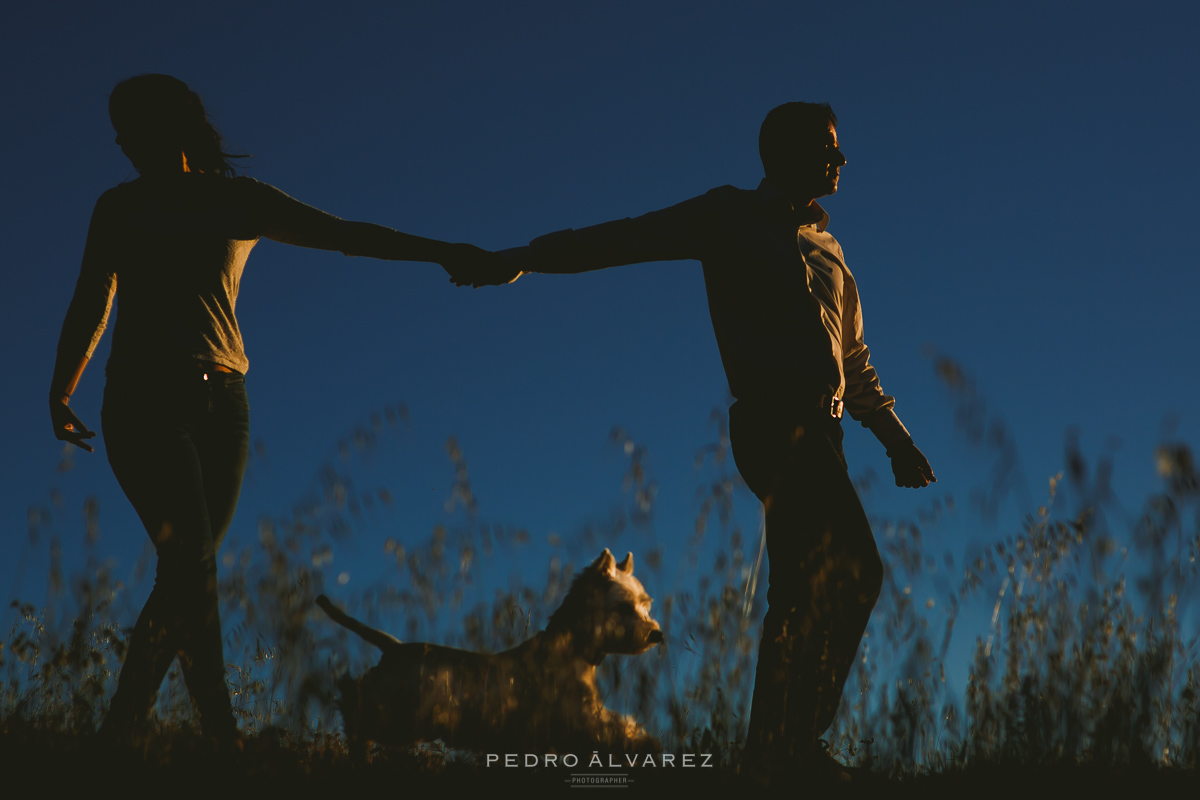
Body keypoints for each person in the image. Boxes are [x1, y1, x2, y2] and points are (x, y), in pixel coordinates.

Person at [448, 101, 935, 776]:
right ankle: (789, 744)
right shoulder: (728, 216)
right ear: (787, 153)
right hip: (772, 422)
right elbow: (624, 238)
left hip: (825, 432)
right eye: (828, 147)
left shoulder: (831, 251)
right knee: (855, 571)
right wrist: (522, 258)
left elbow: (854, 363)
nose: (842, 160)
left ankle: (773, 750)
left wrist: (896, 440)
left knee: (800, 588)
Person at [49, 73, 487, 747]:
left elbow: (346, 234)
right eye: (118, 130)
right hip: (141, 400)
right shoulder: (119, 208)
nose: (121, 141)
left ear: (173, 127)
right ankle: (219, 736)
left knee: (186, 572)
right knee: (192, 559)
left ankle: (121, 737)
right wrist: (61, 387)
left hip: (225, 404)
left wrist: (442, 253)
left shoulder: (237, 200)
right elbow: (90, 299)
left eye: (133, 126)